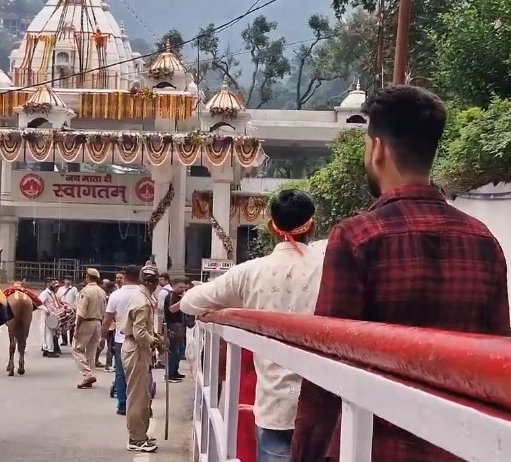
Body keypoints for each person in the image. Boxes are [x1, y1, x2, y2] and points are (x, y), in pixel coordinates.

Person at [292, 85, 511, 462]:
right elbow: (498, 360)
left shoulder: (356, 238)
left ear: (377, 149)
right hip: (459, 451)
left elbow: (327, 369)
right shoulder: (485, 242)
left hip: (374, 449)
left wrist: (305, 454)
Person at [178, 189, 325, 461]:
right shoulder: (329, 268)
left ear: (271, 226)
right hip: (324, 410)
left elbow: (189, 303)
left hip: (274, 409)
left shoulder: (250, 272)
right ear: (312, 226)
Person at [120, 262, 165, 453]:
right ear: (154, 283)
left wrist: (155, 338)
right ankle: (136, 438)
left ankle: (140, 434)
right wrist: (155, 342)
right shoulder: (143, 302)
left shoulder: (142, 297)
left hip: (137, 347)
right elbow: (139, 334)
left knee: (143, 395)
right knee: (137, 397)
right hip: (136, 349)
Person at [102, 266, 141, 416]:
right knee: (138, 374)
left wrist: (102, 337)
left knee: (120, 373)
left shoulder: (116, 295)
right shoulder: (143, 294)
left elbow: (107, 320)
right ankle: (136, 405)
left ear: (125, 276)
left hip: (120, 339)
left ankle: (122, 405)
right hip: (140, 339)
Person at [72, 268, 107, 389]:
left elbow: (81, 313)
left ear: (87, 277)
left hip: (86, 322)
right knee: (91, 352)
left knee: (77, 349)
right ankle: (90, 375)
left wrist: (77, 328)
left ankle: (87, 375)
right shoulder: (101, 292)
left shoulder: (85, 291)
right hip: (98, 322)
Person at [161, 277, 192, 383]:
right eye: (180, 287)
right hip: (173, 326)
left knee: (180, 351)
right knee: (173, 351)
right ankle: (170, 374)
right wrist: (183, 301)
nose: (182, 289)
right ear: (174, 287)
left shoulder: (178, 296)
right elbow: (172, 309)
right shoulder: (171, 296)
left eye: (183, 287)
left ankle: (175, 371)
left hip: (180, 326)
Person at [96, 279, 117, 370]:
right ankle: (108, 363)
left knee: (106, 344)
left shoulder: (105, 297)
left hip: (106, 323)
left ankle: (101, 361)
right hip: (109, 323)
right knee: (109, 344)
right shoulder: (109, 298)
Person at [38, 278, 61, 358]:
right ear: (48, 283)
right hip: (46, 315)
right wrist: (46, 310)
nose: (54, 285)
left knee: (50, 332)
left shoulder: (52, 293)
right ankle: (49, 350)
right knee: (47, 333)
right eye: (52, 283)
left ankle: (47, 348)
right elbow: (39, 303)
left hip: (52, 315)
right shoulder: (45, 293)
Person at [153, 272, 172, 369]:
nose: (160, 281)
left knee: (161, 339)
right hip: (170, 318)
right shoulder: (171, 290)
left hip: (163, 318)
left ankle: (161, 360)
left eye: (161, 279)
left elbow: (160, 307)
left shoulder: (163, 292)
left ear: (166, 280)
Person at [57, 276, 78, 346]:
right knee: (63, 324)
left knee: (72, 325)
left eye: (69, 280)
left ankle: (71, 340)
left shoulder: (74, 289)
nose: (68, 281)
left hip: (71, 309)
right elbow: (57, 298)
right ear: (64, 281)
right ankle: (64, 340)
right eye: (66, 280)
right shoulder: (60, 289)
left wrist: (75, 307)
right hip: (63, 309)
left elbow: (77, 299)